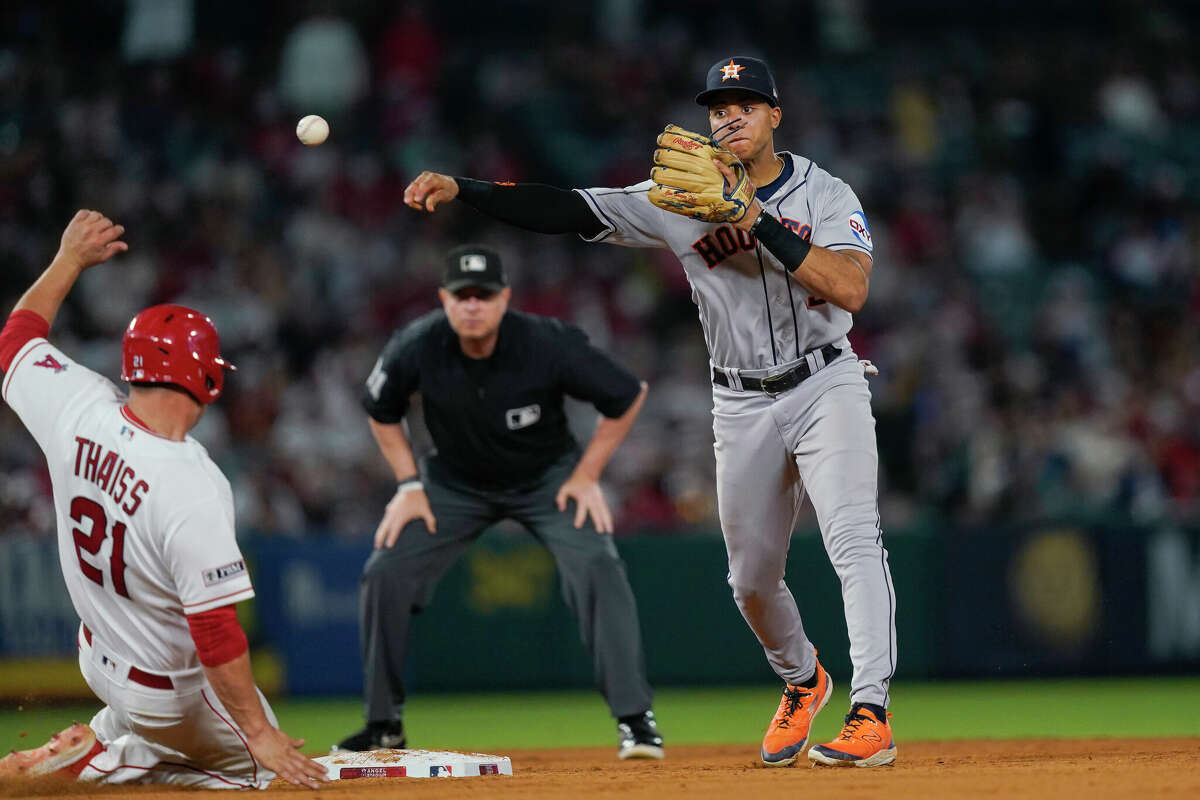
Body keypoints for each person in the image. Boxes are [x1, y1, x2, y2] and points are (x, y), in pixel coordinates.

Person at [401, 57, 898, 768]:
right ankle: (802, 679)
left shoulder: (824, 192)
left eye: (746, 104)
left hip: (827, 384)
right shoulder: (675, 196)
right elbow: (568, 207)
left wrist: (751, 218)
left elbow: (850, 289)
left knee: (853, 540)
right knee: (750, 580)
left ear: (775, 116)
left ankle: (871, 711)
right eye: (718, 106)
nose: (730, 116)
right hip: (739, 400)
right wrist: (466, 189)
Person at [0, 211, 328, 789]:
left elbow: (16, 339)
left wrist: (68, 260)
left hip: (95, 653)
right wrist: (259, 735)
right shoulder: (192, 483)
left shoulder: (75, 403)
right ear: (206, 379)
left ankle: (107, 733)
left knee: (204, 730)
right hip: (166, 696)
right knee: (272, 780)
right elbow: (216, 630)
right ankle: (107, 760)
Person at [334, 244, 663, 760]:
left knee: (598, 563)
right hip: (453, 483)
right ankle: (383, 726)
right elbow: (381, 409)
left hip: (547, 479)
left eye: (483, 295)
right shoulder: (417, 344)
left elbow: (627, 394)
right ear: (443, 299)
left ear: (504, 298)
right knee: (385, 572)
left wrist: (587, 474)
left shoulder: (544, 341)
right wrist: (407, 485)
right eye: (461, 295)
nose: (472, 305)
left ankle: (635, 721)